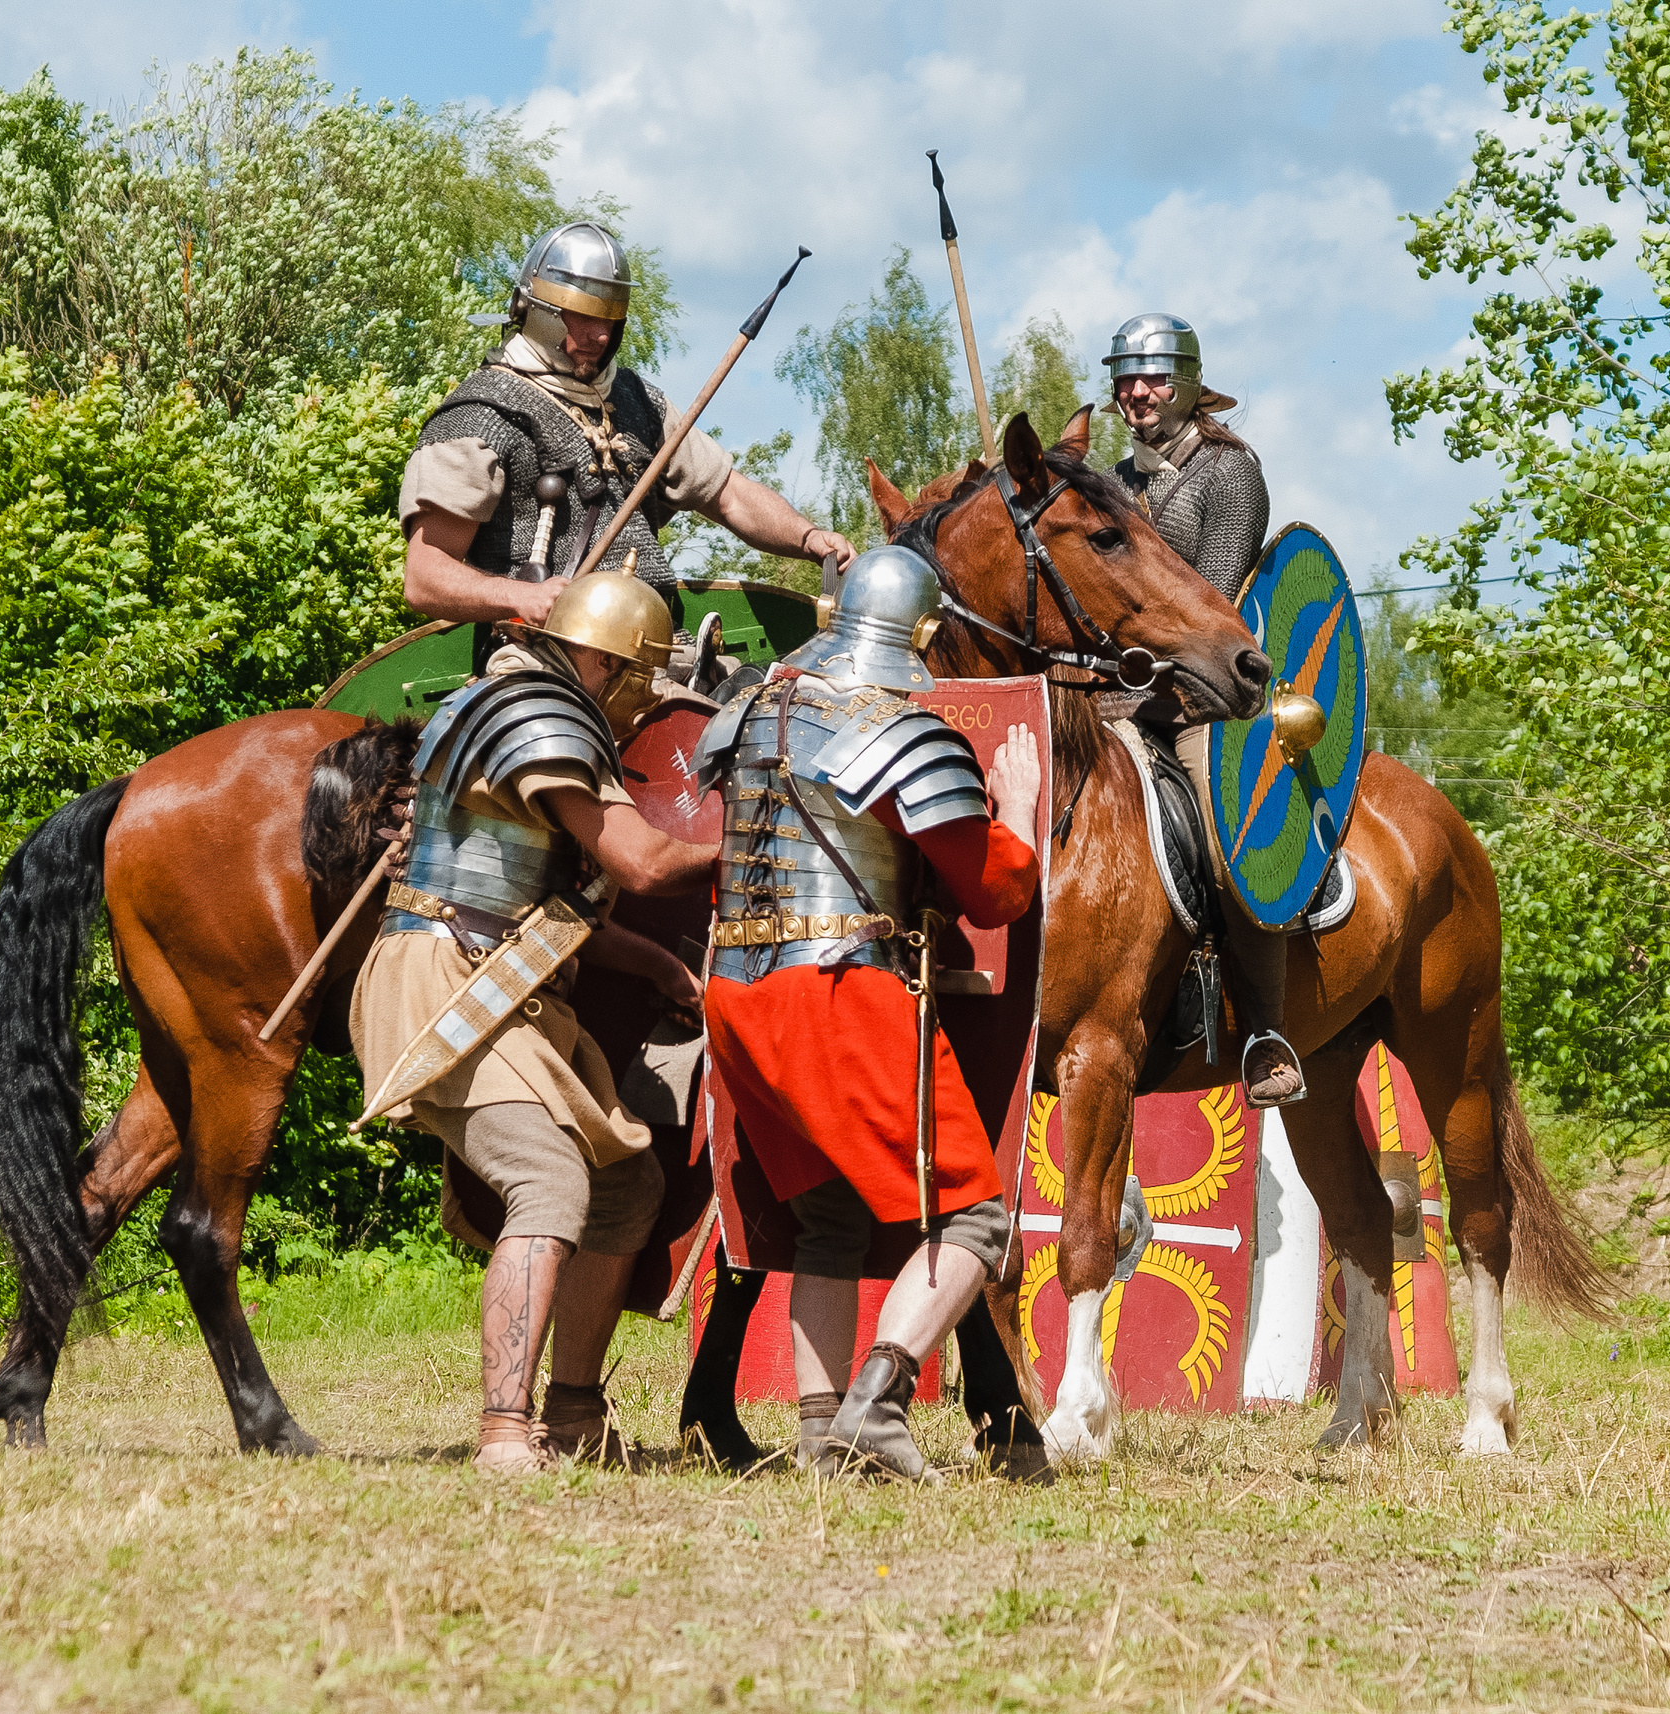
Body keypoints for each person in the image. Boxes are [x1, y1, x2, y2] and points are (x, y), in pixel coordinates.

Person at [352, 572, 721, 1472]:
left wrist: (661, 967)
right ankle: (505, 1434)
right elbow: (639, 863)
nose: (649, 699)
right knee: (549, 1180)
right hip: (445, 979)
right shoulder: (540, 714)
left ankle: (575, 1412)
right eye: (642, 675)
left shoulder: (520, 701)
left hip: (505, 977)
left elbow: (559, 911)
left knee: (624, 1187)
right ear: (603, 660)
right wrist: (746, 839)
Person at [692, 546, 1043, 1481]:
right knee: (977, 1221)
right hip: (835, 989)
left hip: (732, 992)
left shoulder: (751, 713)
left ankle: (818, 1436)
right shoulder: (893, 729)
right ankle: (877, 1405)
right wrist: (1015, 809)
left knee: (830, 1220)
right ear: (924, 634)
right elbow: (993, 890)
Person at [398, 220, 853, 655]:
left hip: (654, 647)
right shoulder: (482, 413)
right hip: (541, 655)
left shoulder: (638, 402)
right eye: (584, 317)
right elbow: (424, 576)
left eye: (612, 319)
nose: (601, 334)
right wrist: (516, 596)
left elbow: (728, 494)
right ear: (542, 311)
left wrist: (808, 538)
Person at [1101, 311, 1301, 1107]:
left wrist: (1144, 692)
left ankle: (1263, 1028)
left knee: (1227, 845)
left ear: (1187, 382)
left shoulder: (1228, 472)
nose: (1137, 392)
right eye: (1125, 377)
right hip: (1112, 696)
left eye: (1152, 377)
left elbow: (1216, 604)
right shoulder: (1113, 483)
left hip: (1202, 703)